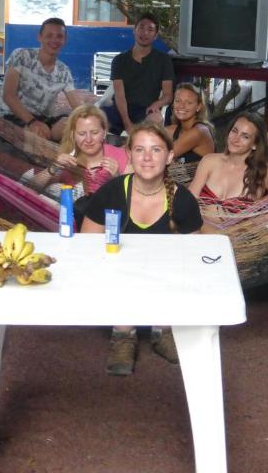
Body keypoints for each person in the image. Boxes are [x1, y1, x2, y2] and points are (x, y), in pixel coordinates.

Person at [79, 121, 203, 376]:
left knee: (177, 263)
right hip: (118, 279)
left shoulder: (183, 200)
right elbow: (86, 244)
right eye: (140, 150)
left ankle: (163, 329)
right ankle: (123, 334)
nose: (147, 158)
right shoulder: (111, 192)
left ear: (169, 157)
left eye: (156, 150)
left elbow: (194, 257)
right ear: (129, 154)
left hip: (165, 280)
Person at [0, 17, 91, 141]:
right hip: (14, 116)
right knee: (37, 135)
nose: (54, 40)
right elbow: (8, 95)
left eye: (59, 36)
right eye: (49, 35)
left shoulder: (64, 71)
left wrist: (93, 119)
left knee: (75, 127)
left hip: (44, 121)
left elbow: (77, 106)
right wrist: (32, 122)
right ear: (40, 37)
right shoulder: (22, 55)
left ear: (65, 40)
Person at [27, 105, 130, 205]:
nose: (88, 139)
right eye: (82, 134)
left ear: (104, 132)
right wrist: (53, 168)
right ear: (73, 135)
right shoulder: (69, 158)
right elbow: (29, 189)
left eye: (94, 132)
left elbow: (135, 203)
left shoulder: (124, 157)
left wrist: (117, 179)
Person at [188, 111, 268, 213]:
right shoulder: (209, 161)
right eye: (234, 131)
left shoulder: (263, 171)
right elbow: (188, 200)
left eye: (245, 136)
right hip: (197, 226)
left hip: (239, 228)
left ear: (255, 144)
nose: (236, 139)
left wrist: (261, 211)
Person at [108, 12, 175, 134]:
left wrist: (157, 104)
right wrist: (127, 122)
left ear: (155, 35)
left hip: (146, 110)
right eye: (141, 27)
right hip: (120, 109)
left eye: (150, 29)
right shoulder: (119, 60)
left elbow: (168, 95)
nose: (145, 33)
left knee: (155, 121)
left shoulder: (164, 60)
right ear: (134, 30)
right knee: (97, 119)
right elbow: (119, 96)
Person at [165, 82, 215, 167]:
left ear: (198, 107)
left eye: (188, 103)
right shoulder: (175, 129)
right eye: (178, 101)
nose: (181, 106)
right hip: (177, 179)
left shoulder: (199, 131)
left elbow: (162, 157)